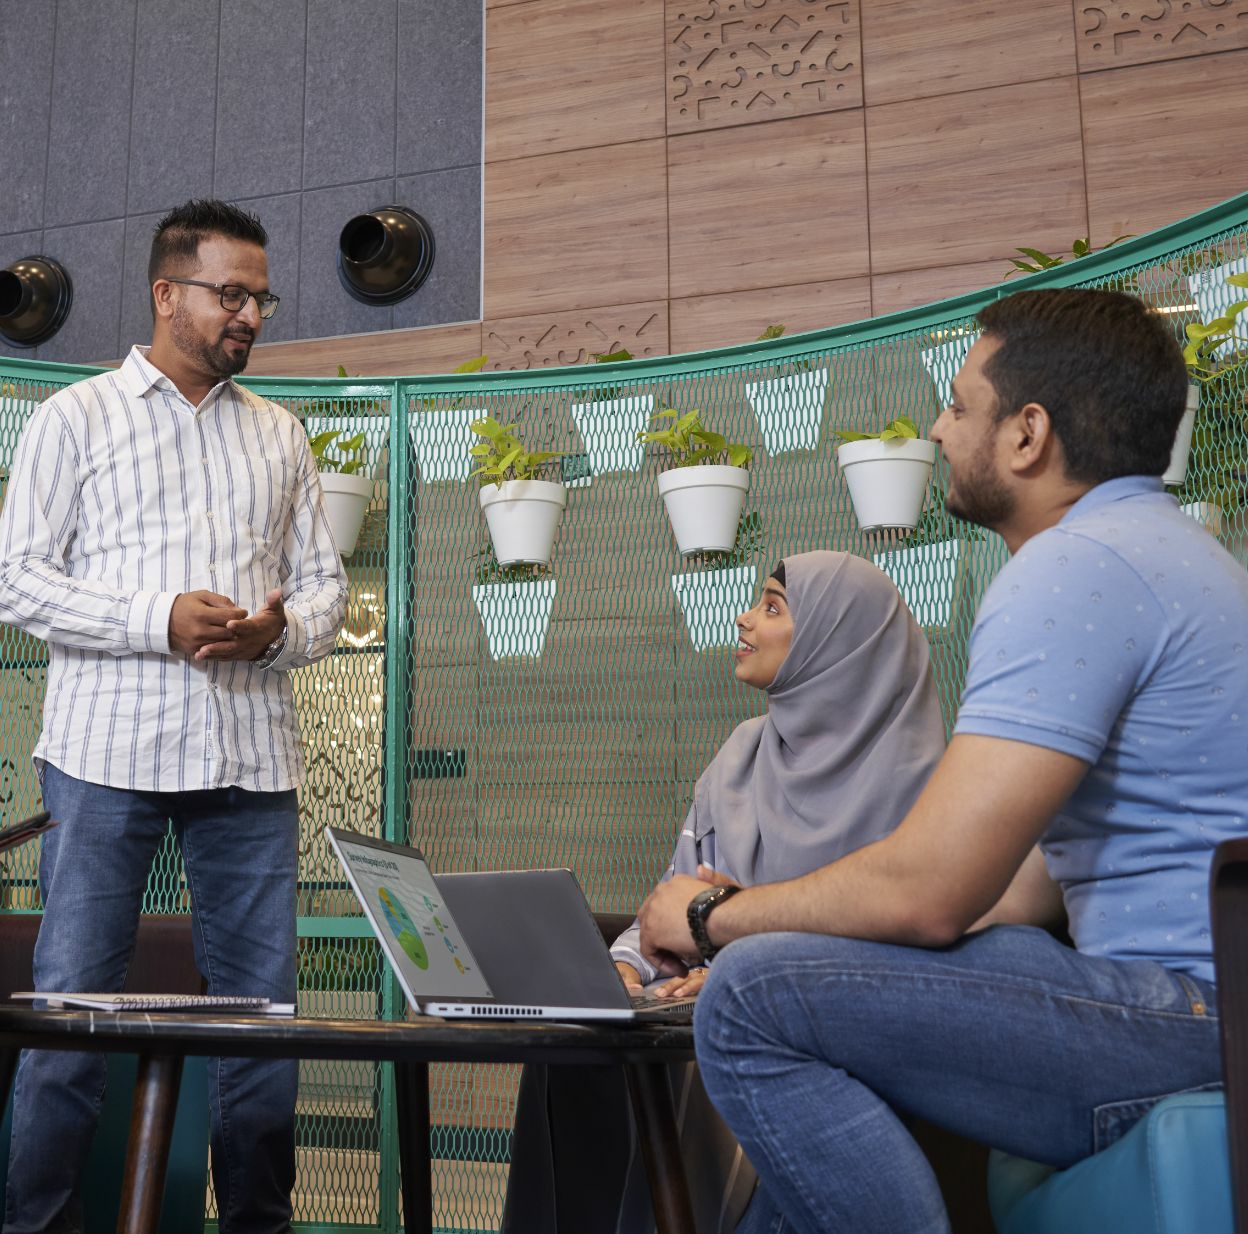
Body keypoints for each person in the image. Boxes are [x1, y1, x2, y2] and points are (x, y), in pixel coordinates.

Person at [637, 287, 1248, 1233]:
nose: (937, 426)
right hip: (1196, 1012)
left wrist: (720, 919)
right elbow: (1016, 895)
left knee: (754, 1002)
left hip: (1198, 1021)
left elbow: (932, 894)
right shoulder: (1175, 551)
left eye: (960, 405)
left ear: (1026, 434)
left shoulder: (1074, 568)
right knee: (823, 976)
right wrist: (791, 940)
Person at [0, 199, 349, 1234]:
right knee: (72, 1017)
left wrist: (274, 634)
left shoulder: (280, 435)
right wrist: (158, 616)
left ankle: (254, 1224)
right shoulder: (76, 417)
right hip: (104, 755)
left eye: (260, 297)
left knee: (264, 1033)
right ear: (167, 294)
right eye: (230, 293)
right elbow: (15, 580)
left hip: (250, 758)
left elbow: (325, 592)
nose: (250, 314)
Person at [503, 549, 947, 1234]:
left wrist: (742, 978)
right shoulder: (738, 758)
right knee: (574, 1054)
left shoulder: (928, 789)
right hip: (689, 1036)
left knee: (721, 1047)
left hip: (824, 1053)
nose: (743, 619)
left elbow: (907, 954)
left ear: (840, 642)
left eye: (772, 607)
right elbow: (668, 904)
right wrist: (623, 967)